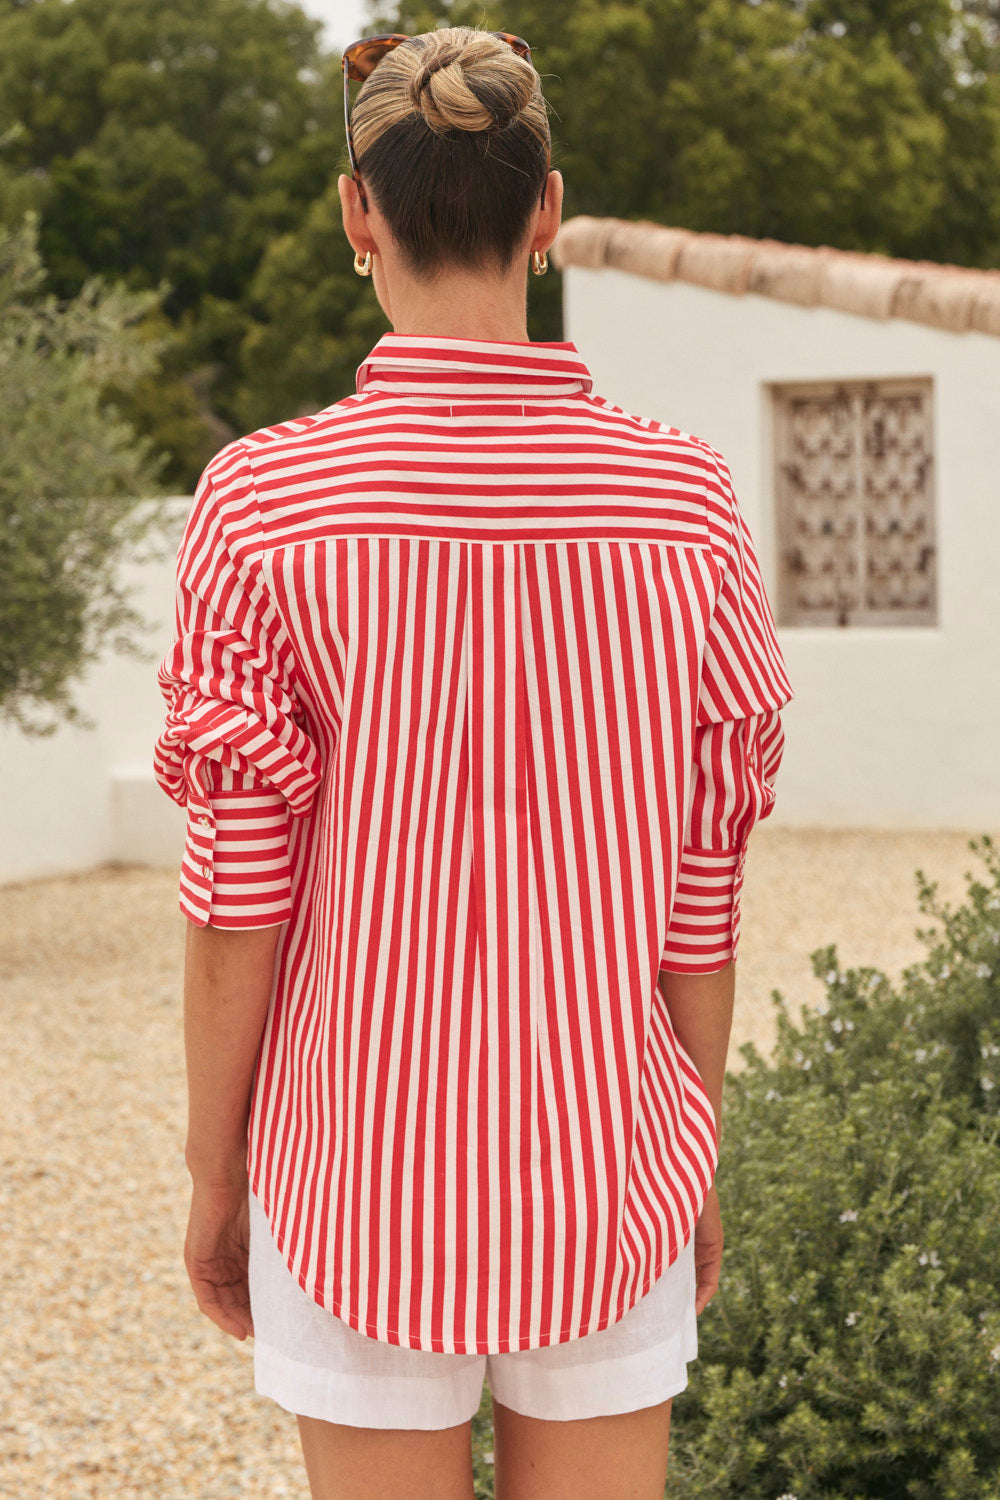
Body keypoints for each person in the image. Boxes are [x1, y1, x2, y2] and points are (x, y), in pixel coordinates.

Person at [154, 25, 793, 1500]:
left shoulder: (263, 503)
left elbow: (238, 898)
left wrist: (215, 1169)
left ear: (357, 212)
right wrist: (692, 1149)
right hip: (610, 1163)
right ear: (545, 208)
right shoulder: (684, 502)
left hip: (351, 1170)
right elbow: (702, 889)